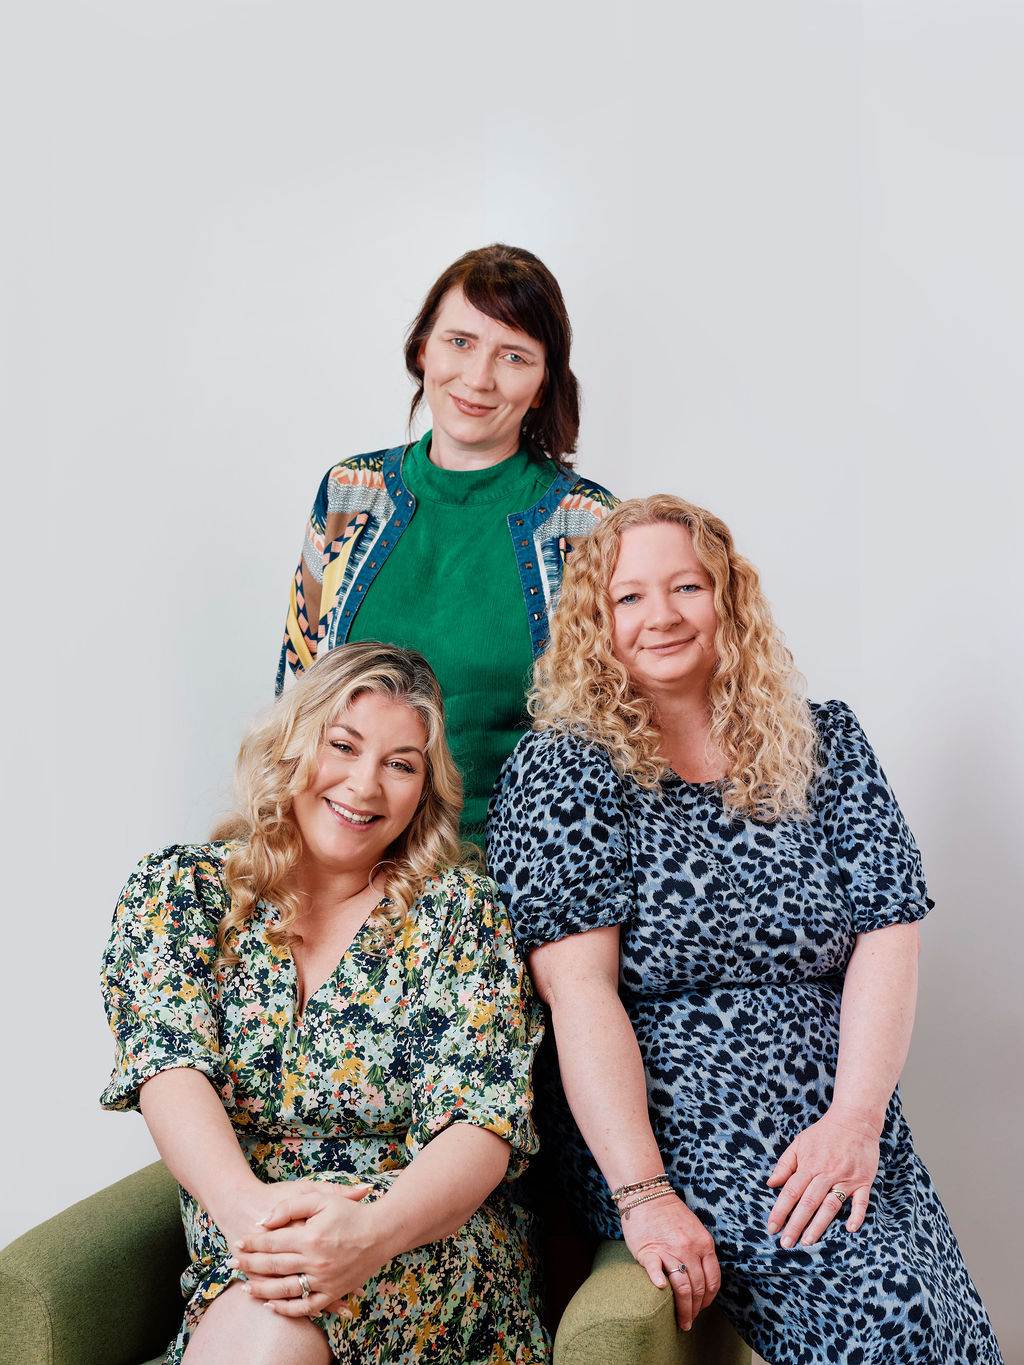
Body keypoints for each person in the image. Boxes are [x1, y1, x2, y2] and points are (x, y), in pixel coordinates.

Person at [487, 495, 1003, 1363]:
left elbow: (889, 932)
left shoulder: (824, 740)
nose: (661, 615)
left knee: (932, 1309)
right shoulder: (565, 765)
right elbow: (576, 995)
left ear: (728, 599)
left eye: (686, 586)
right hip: (671, 1116)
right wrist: (643, 1190)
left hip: (839, 1103)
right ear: (594, 621)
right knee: (888, 1321)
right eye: (629, 597)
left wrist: (856, 1119)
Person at [102, 642, 549, 1365]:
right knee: (266, 1307)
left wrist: (369, 1234)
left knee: (267, 1319)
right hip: (246, 1238)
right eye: (343, 745)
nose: (364, 785)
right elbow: (165, 1065)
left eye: (401, 763)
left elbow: (481, 1125)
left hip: (423, 1240)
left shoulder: (459, 914)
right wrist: (253, 1217)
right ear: (293, 742)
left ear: (425, 790)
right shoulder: (179, 893)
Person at [278, 243, 616, 844]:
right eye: (460, 342)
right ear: (422, 349)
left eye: (514, 356)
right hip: (346, 855)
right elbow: (297, 690)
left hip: (514, 876)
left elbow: (615, 733)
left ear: (543, 385)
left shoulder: (587, 524)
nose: (479, 378)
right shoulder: (349, 493)